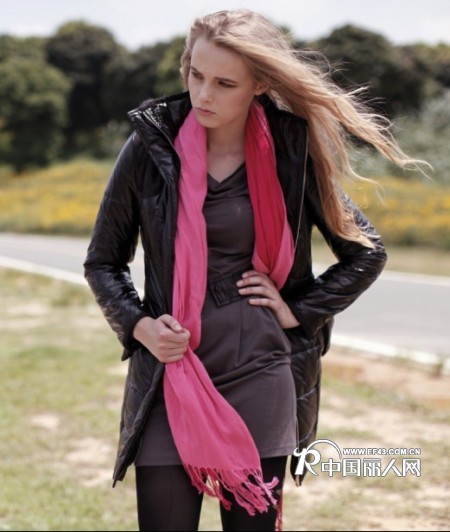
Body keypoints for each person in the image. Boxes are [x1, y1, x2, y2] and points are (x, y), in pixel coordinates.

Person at [83, 9, 422, 532]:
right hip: (173, 373)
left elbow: (366, 252)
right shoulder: (150, 148)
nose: (204, 95)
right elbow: (103, 261)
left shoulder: (291, 153)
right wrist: (140, 325)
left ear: (260, 84)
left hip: (261, 371)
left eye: (225, 83)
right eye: (196, 75)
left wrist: (297, 311)